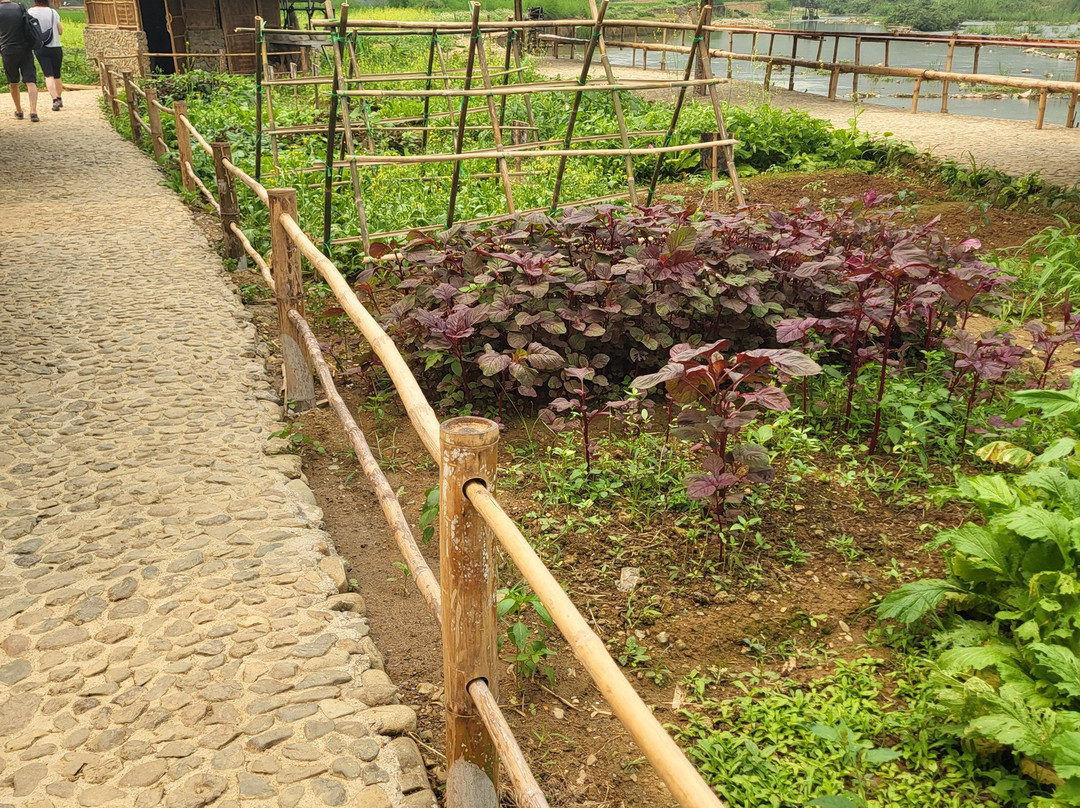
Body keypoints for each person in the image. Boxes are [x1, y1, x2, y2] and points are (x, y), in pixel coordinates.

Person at [0, 0, 39, 121]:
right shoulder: (19, 7)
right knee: (30, 81)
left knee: (13, 82)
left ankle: (19, 110)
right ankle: (33, 111)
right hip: (25, 49)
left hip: (8, 50)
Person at [28, 0, 59, 110]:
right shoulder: (52, 12)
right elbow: (60, 31)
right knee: (57, 74)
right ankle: (59, 98)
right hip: (56, 46)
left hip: (40, 47)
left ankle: (54, 100)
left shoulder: (30, 11)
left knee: (48, 75)